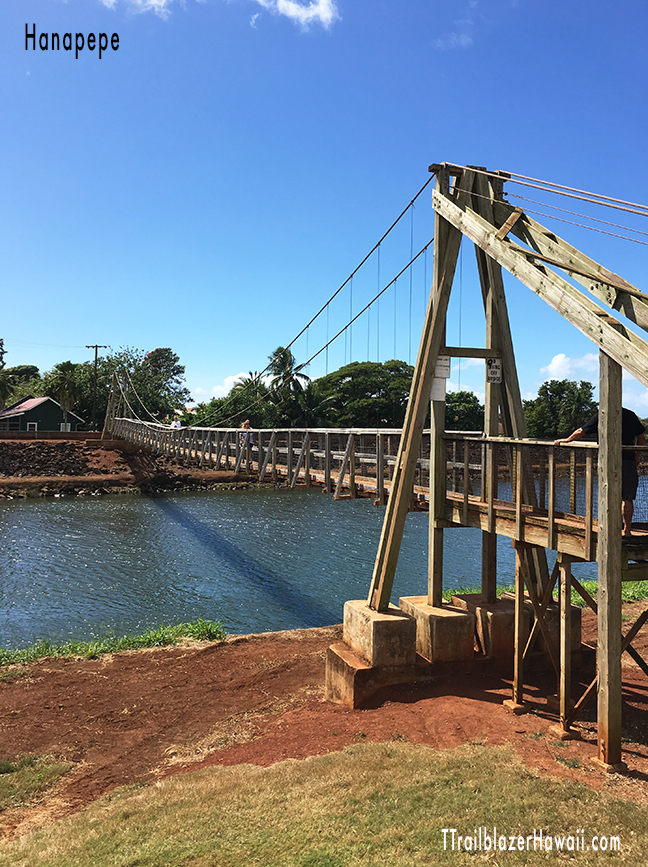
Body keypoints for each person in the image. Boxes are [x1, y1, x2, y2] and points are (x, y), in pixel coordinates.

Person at [554, 408, 645, 536]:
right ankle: (627, 530)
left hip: (608, 460)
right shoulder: (630, 414)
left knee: (607, 495)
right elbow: (641, 436)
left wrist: (567, 440)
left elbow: (581, 431)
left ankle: (609, 528)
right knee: (627, 498)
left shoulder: (603, 414)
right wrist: (637, 455)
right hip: (628, 459)